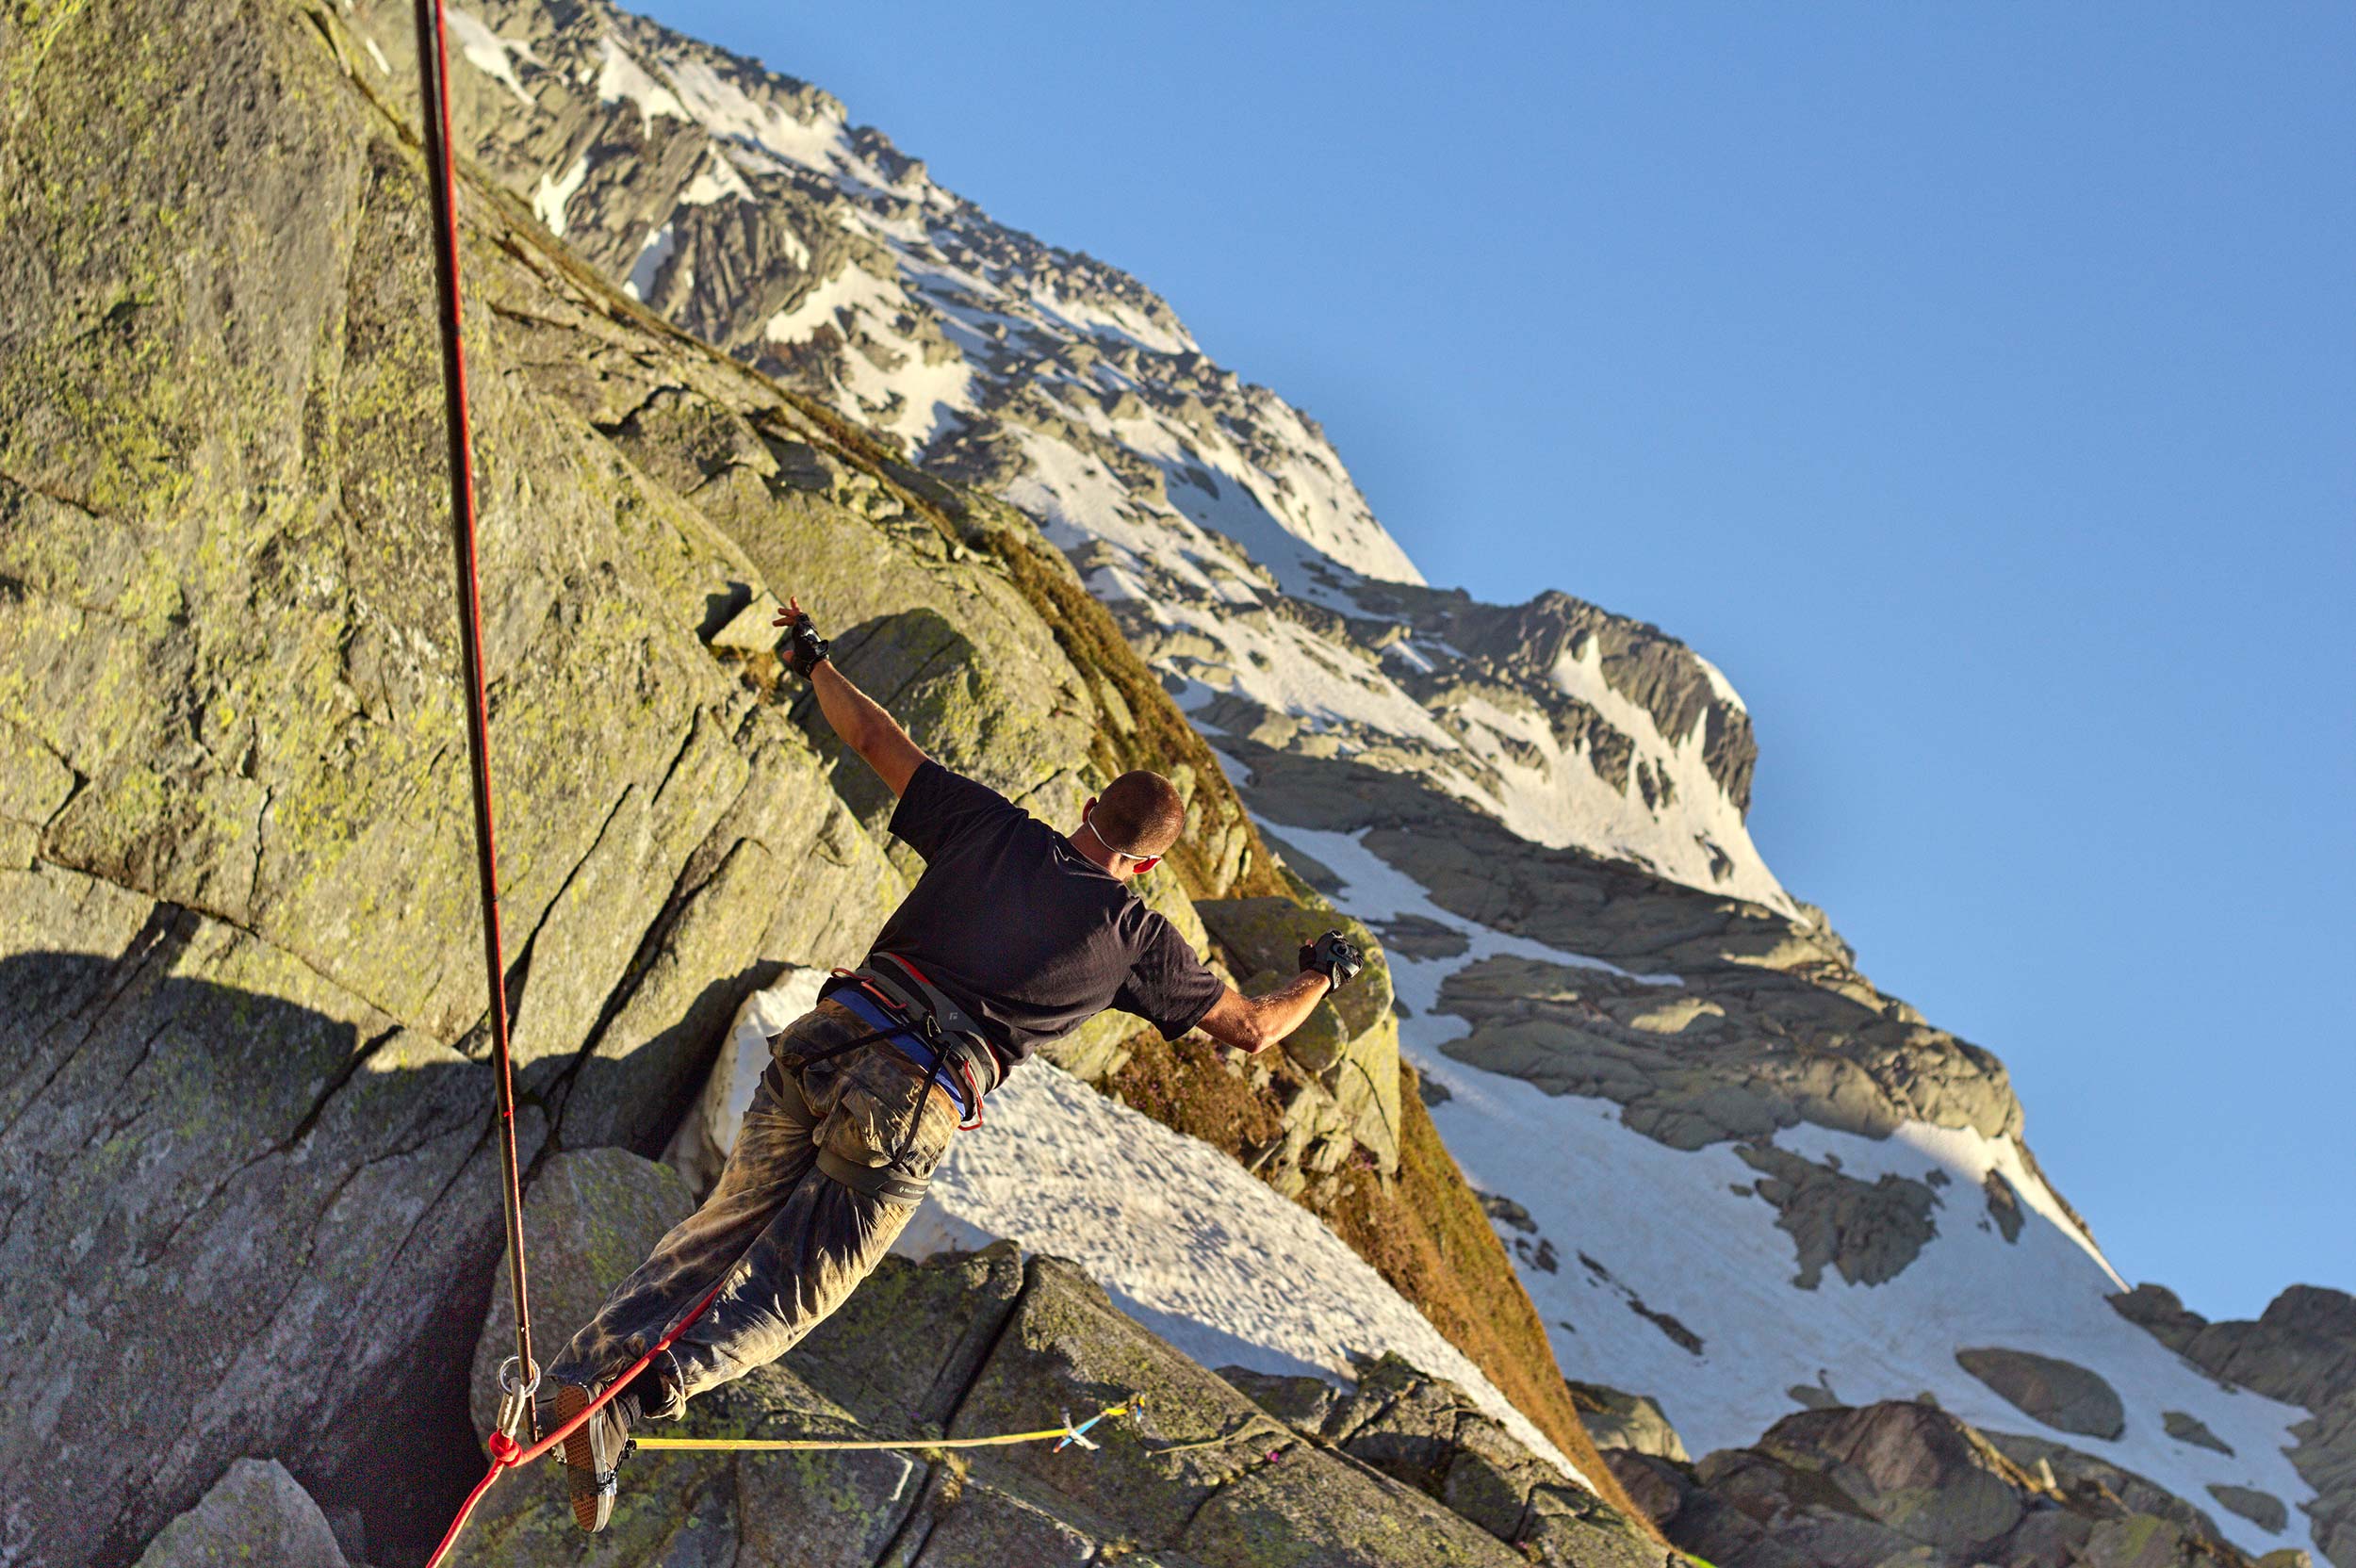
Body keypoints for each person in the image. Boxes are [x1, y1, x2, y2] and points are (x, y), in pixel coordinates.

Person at [542, 596, 1365, 1531]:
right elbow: (1252, 1027)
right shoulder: (1136, 934)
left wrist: (814, 657)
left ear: (1089, 809)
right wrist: (1318, 976)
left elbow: (875, 737)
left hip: (828, 1036)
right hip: (912, 1100)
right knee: (796, 1285)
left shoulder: (993, 825)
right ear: (1145, 863)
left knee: (717, 1229)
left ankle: (575, 1378)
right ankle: (626, 1407)